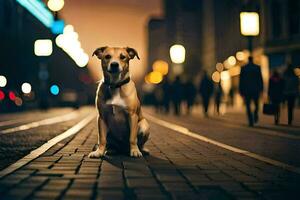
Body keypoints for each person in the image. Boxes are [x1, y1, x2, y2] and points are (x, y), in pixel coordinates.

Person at [239, 56, 263, 126]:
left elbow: (241, 81)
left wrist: (241, 90)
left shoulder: (243, 68)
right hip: (256, 90)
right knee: (256, 105)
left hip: (247, 91)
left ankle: (250, 120)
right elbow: (260, 79)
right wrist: (261, 89)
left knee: (248, 106)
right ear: (252, 60)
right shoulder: (257, 68)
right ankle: (255, 115)